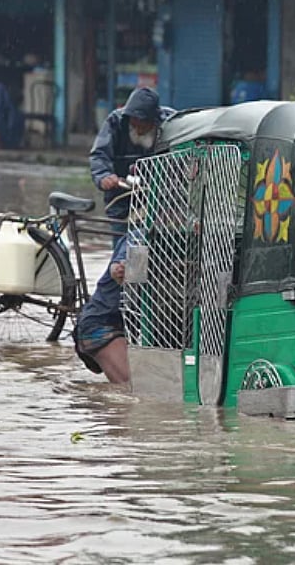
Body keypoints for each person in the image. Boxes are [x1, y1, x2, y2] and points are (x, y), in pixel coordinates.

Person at [89, 87, 173, 245]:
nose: (139, 127)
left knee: (158, 255)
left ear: (153, 120)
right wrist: (104, 177)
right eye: (135, 121)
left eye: (143, 123)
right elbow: (100, 154)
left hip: (159, 206)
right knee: (121, 257)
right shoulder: (115, 122)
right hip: (121, 203)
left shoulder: (170, 123)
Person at [74, 234, 132, 385]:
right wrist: (120, 269)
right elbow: (118, 268)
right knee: (131, 386)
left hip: (135, 329)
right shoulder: (137, 238)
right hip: (101, 326)